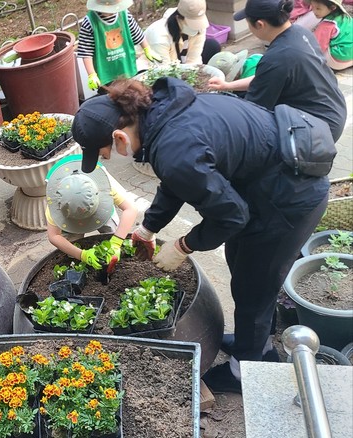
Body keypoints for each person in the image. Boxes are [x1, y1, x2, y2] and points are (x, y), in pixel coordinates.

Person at [71, 78, 331, 393]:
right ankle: (256, 342)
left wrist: (184, 245)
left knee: (254, 285)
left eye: (106, 153)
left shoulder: (175, 148)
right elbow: (176, 180)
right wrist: (149, 227)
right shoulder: (163, 113)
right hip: (267, 183)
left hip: (290, 199)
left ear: (119, 137)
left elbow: (231, 216)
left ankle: (244, 371)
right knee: (241, 265)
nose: (109, 158)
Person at [207, 0, 347, 141]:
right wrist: (227, 86)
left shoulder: (277, 57)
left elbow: (253, 112)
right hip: (333, 108)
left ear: (260, 24)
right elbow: (264, 78)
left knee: (246, 130)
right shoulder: (299, 32)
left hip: (319, 129)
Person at [45, 155, 139, 273]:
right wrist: (81, 255)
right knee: (71, 245)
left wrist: (116, 242)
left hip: (94, 180)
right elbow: (54, 236)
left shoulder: (106, 187)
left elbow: (130, 209)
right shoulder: (57, 200)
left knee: (113, 230)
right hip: (64, 194)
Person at [79, 0, 162, 91]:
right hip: (106, 73)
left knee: (131, 94)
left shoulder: (125, 15)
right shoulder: (89, 22)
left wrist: (147, 48)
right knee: (110, 96)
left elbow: (137, 33)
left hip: (126, 67)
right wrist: (91, 74)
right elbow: (86, 52)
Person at [143, 0, 222, 65]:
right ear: (178, 18)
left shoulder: (200, 28)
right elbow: (164, 70)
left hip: (180, 59)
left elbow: (194, 59)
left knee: (212, 46)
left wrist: (194, 73)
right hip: (153, 66)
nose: (197, 29)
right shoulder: (159, 36)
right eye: (193, 24)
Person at [309, 0, 353, 70]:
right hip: (350, 58)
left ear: (332, 7)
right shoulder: (346, 17)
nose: (314, 11)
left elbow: (317, 47)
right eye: (312, 7)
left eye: (318, 8)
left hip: (338, 61)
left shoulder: (327, 24)